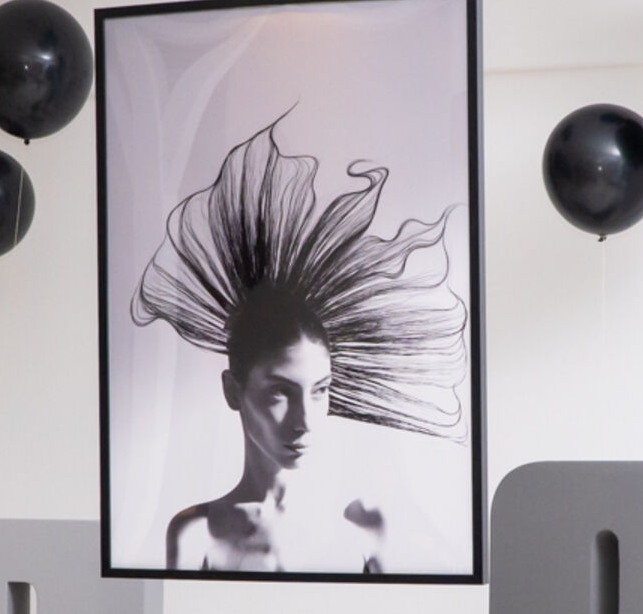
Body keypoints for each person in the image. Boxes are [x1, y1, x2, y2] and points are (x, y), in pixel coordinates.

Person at [131, 119, 468, 573]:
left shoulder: (365, 529)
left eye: (320, 390)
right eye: (279, 392)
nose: (305, 421)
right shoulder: (195, 533)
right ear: (232, 390)